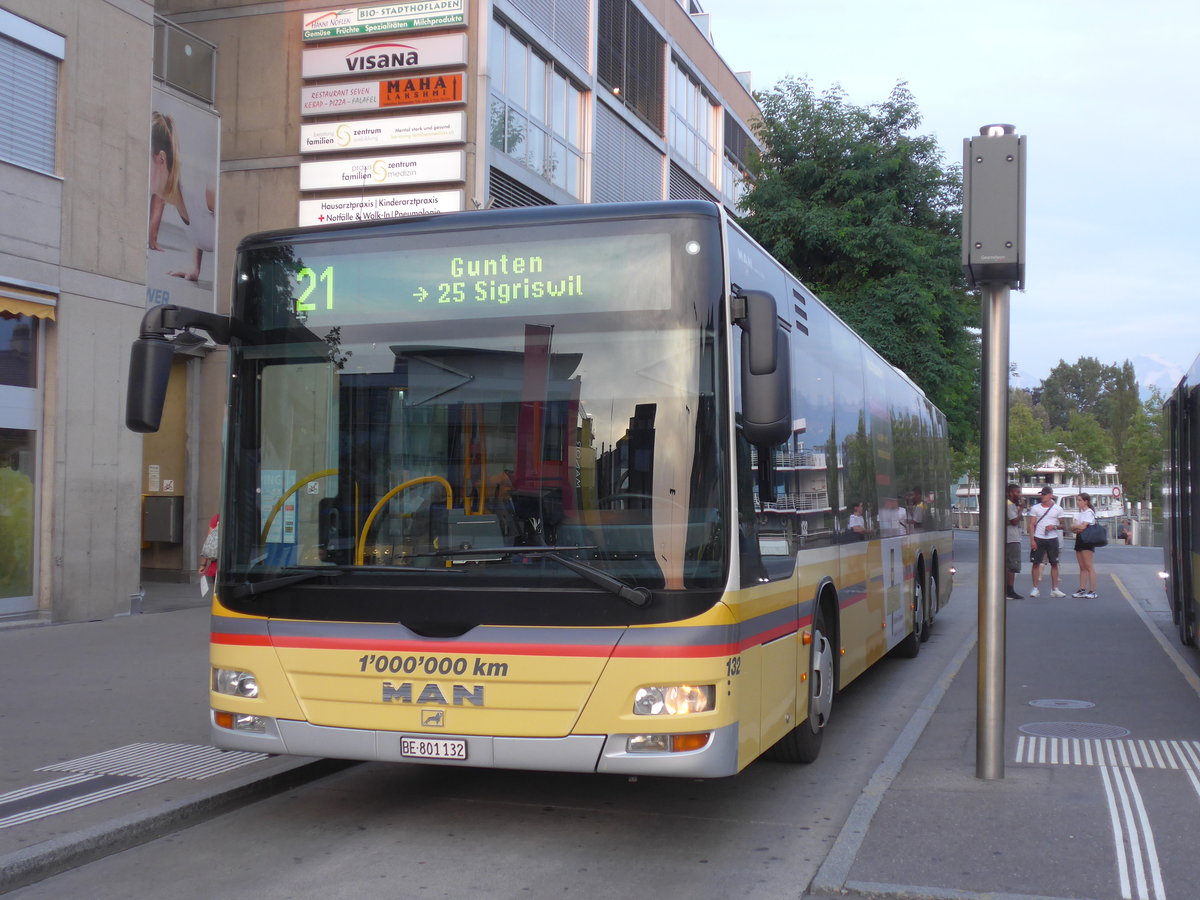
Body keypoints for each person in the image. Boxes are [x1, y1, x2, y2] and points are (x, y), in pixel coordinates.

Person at [149, 111, 216, 282]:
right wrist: (195, 269)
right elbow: (200, 222)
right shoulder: (176, 197)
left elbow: (237, 229)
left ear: (161, 159)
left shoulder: (205, 190)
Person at [1027, 486, 1066, 598]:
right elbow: (1031, 524)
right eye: (1041, 494)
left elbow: (1063, 525)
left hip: (1052, 539)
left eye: (1044, 494)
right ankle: (1035, 588)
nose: (1042, 496)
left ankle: (1054, 588)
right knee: (1036, 563)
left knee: (1054, 563)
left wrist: (1053, 526)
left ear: (1050, 495)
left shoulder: (1058, 509)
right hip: (1039, 538)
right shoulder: (1035, 508)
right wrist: (1032, 540)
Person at [1070, 492, 1099, 598]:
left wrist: (1077, 526)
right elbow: (1073, 528)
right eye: (1077, 500)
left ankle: (1092, 591)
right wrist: (1077, 526)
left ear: (1085, 501)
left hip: (1087, 539)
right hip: (1079, 539)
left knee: (1089, 565)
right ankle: (1082, 589)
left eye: (1079, 500)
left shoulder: (1089, 512)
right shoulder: (1080, 513)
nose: (1078, 502)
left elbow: (1082, 527)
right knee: (1082, 566)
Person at [1005, 483, 1024, 600]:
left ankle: (1007, 590)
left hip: (1011, 537)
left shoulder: (1010, 504)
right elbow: (1014, 521)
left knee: (1009, 565)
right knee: (1012, 565)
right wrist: (1021, 510)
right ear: (1011, 492)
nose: (1020, 495)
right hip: (1011, 538)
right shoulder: (1009, 505)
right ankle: (1010, 591)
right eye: (1017, 492)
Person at [198, 513, 219, 582]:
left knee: (218, 591)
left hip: (218, 565)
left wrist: (203, 565)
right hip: (241, 567)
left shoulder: (218, 518)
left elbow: (209, 542)